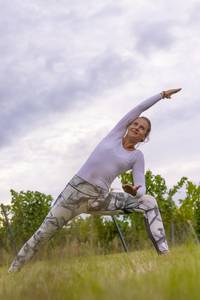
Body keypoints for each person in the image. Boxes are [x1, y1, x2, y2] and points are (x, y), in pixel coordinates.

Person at [8, 88, 181, 272]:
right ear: (130, 125)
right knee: (43, 233)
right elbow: (139, 107)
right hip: (73, 194)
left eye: (142, 129)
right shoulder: (115, 134)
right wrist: (161, 95)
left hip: (99, 199)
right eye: (136, 124)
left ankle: (164, 256)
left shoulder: (137, 156)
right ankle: (13, 271)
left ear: (144, 137)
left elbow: (141, 190)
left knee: (149, 202)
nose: (137, 128)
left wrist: (134, 191)